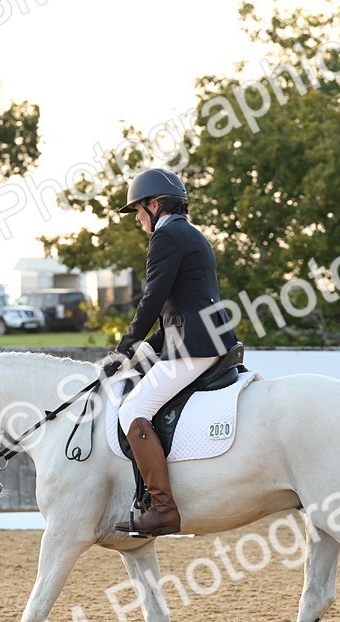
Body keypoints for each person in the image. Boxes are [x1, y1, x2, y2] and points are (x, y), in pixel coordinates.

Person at [101, 168, 238, 536]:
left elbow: (152, 301)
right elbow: (183, 306)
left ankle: (162, 507)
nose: (139, 220)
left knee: (133, 410)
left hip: (194, 346)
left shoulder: (166, 238)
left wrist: (121, 351)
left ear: (156, 204)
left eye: (139, 211)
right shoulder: (191, 234)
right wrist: (146, 349)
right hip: (204, 337)